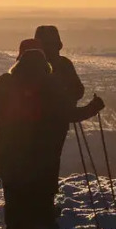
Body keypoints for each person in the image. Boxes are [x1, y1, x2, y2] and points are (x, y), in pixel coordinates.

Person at [0, 39, 103, 229]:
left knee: (14, 197)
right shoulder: (52, 84)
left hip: (9, 157)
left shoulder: (5, 82)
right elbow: (70, 114)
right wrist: (94, 107)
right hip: (42, 158)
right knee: (40, 196)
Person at [32, 24, 85, 214]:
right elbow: (79, 90)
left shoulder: (28, 64)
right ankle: (46, 202)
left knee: (30, 161)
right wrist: (67, 98)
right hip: (57, 125)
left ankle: (30, 202)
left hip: (27, 125)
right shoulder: (64, 64)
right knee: (51, 160)